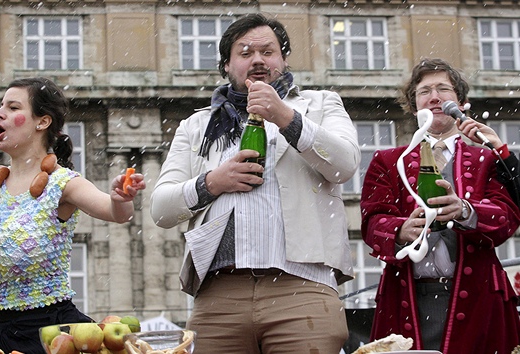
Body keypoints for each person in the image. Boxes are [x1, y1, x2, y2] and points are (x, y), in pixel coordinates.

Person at [150, 13, 360, 353]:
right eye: (245, 52)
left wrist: (285, 117)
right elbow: (160, 210)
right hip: (220, 294)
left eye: (268, 51)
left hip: (302, 286)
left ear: (284, 59)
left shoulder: (319, 104)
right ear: (227, 66)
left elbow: (344, 165)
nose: (258, 59)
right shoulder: (196, 126)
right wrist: (211, 183)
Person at [0, 77, 146, 354]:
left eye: (13, 108)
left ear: (43, 122)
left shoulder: (62, 182)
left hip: (51, 334)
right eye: (0, 106)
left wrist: (121, 198)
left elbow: (115, 213)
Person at [360, 58, 520, 353]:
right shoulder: (386, 160)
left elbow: (507, 219)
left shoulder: (486, 158)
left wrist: (466, 211)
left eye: (443, 89)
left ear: (462, 103)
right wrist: (400, 229)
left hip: (480, 299)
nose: (434, 97)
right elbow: (372, 222)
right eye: (424, 91)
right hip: (407, 298)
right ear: (412, 107)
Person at [458, 117, 520, 207]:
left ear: (462, 105)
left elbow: (513, 202)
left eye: (446, 101)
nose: (436, 102)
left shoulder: (485, 159)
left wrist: (498, 146)